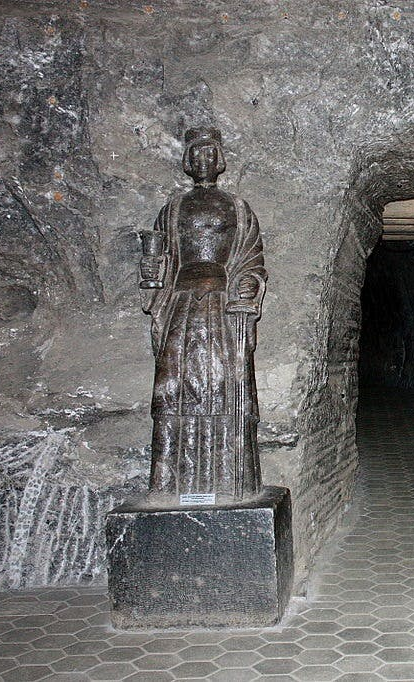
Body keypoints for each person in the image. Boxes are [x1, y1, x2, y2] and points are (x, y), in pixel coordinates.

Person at [139, 126, 266, 503]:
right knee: (172, 388)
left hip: (222, 309)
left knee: (225, 387)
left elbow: (251, 257)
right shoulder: (173, 208)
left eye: (209, 153)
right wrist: (151, 276)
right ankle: (168, 485)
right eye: (196, 153)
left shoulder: (238, 208)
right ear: (187, 160)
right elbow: (159, 259)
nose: (203, 161)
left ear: (219, 158)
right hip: (181, 304)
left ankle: (229, 481)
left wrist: (246, 286)